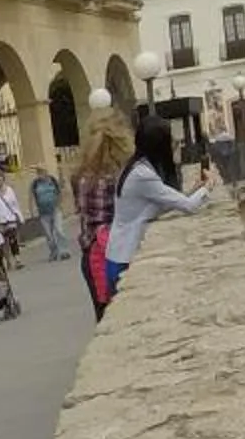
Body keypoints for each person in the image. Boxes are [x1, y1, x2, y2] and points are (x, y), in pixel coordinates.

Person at [101, 115, 210, 306]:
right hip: (125, 259)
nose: (175, 144)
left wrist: (192, 190)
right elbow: (190, 207)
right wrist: (208, 186)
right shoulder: (143, 176)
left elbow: (160, 202)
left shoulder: (135, 167)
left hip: (117, 254)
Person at [72, 117, 129, 320]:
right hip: (113, 250)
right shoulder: (116, 178)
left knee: (103, 314)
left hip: (90, 250)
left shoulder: (80, 178)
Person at [28, 164, 67, 261]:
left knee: (59, 230)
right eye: (38, 172)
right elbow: (31, 197)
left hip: (55, 209)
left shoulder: (52, 180)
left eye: (42, 171)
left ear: (46, 172)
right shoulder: (35, 183)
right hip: (43, 212)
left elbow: (59, 192)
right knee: (49, 234)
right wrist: (31, 210)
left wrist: (60, 204)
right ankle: (53, 251)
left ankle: (63, 251)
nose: (40, 173)